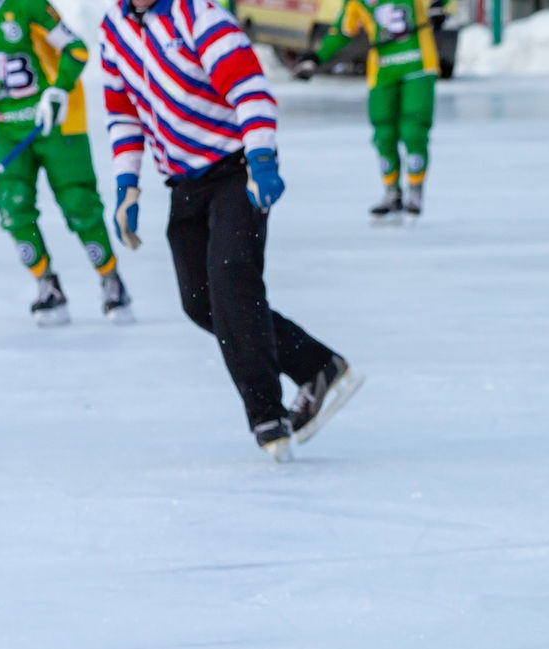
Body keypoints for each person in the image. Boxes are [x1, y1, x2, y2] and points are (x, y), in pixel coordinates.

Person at [99, 0, 362, 460]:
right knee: (201, 301)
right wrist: (127, 186)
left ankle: (267, 416)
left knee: (232, 279)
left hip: (236, 168)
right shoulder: (114, 30)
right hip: (184, 182)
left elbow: (251, 89)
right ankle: (318, 366)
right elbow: (123, 114)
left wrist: (261, 160)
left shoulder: (199, 16)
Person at [0, 0, 132, 325]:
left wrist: (59, 91)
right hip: (7, 127)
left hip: (58, 122)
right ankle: (47, 284)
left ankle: (110, 278)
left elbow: (76, 50)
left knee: (79, 204)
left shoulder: (29, 5)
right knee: (11, 204)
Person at [293, 0, 440, 221]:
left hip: (418, 64)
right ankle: (391, 191)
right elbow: (342, 30)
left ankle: (415, 189)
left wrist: (439, 7)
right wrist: (317, 57)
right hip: (382, 70)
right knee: (383, 132)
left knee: (414, 128)